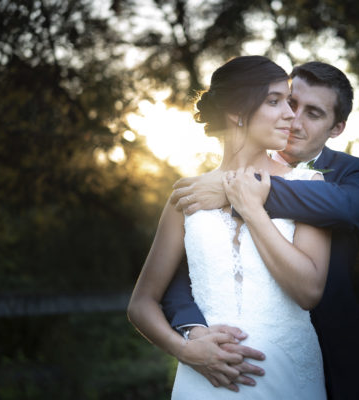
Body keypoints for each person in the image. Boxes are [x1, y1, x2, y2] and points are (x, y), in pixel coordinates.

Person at [165, 61, 359, 399]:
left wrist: (237, 191)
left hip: (332, 353)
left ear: (336, 128)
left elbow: (349, 209)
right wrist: (192, 331)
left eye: (313, 113)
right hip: (232, 363)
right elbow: (184, 274)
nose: (293, 119)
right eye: (289, 102)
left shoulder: (351, 173)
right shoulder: (205, 186)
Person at [127, 55, 331, 399]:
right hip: (204, 382)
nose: (290, 114)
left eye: (289, 101)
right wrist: (185, 349)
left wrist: (251, 207)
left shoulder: (309, 184)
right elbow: (142, 303)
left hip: (289, 376)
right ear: (237, 112)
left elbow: (309, 292)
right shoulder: (188, 195)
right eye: (274, 101)